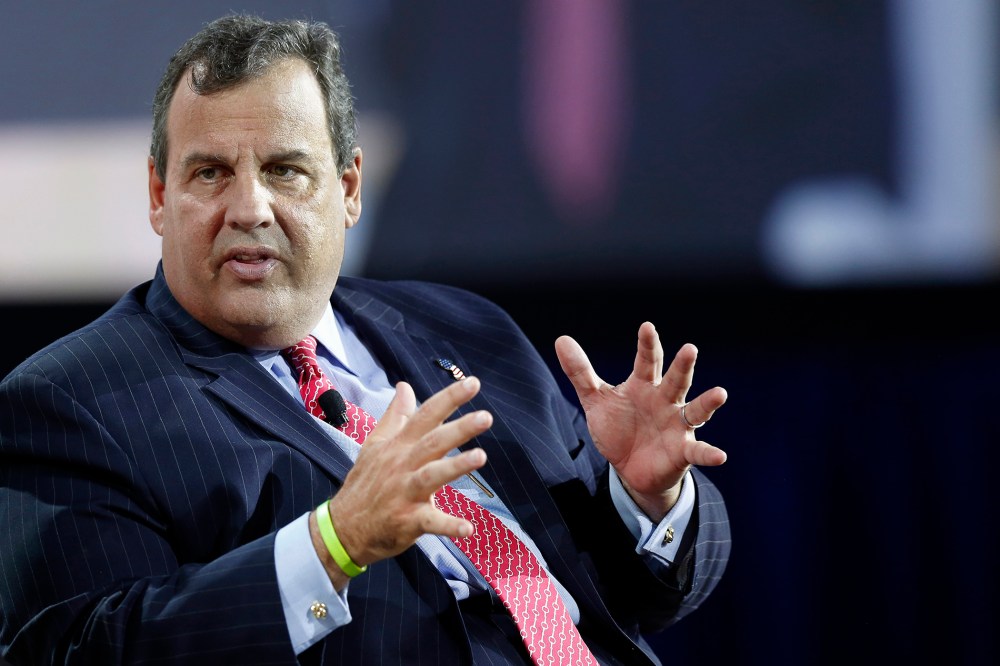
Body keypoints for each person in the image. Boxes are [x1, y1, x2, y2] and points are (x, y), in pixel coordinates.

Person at [0, 13, 730, 666]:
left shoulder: (468, 329)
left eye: (286, 170)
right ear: (161, 196)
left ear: (349, 189)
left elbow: (632, 600)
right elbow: (81, 648)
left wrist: (644, 501)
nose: (249, 207)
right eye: (211, 172)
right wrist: (333, 544)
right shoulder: (71, 403)